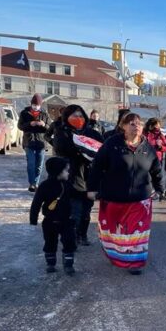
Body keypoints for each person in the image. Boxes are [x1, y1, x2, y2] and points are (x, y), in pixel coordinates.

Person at [87, 112, 164, 275]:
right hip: (113, 198)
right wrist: (92, 188)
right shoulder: (112, 144)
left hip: (140, 199)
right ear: (123, 126)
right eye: (132, 123)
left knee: (137, 233)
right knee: (115, 233)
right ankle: (115, 255)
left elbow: (156, 170)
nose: (136, 126)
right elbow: (97, 166)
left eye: (139, 123)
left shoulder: (147, 147)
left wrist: (159, 188)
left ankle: (135, 262)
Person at [50, 105, 104, 246]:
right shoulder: (63, 133)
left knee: (86, 210)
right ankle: (71, 237)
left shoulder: (92, 133)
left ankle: (82, 234)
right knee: (75, 211)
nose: (78, 119)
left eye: (80, 115)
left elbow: (102, 149)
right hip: (72, 177)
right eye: (74, 116)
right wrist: (82, 149)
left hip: (90, 177)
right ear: (66, 117)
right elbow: (63, 149)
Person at [29, 157, 77, 275]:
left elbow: (77, 194)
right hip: (50, 221)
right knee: (50, 243)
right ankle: (50, 263)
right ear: (58, 172)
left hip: (66, 220)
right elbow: (36, 203)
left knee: (69, 242)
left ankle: (68, 265)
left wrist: (89, 194)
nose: (68, 172)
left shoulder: (67, 185)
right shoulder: (45, 186)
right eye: (66, 170)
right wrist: (33, 219)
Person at [17, 93, 50, 192]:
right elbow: (20, 126)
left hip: (41, 143)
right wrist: (30, 123)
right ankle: (32, 184)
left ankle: (36, 183)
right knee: (31, 164)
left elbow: (50, 129)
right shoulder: (24, 113)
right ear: (31, 104)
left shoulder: (45, 114)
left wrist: (44, 125)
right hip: (29, 142)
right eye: (34, 105)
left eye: (38, 105)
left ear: (41, 105)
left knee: (39, 165)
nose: (36, 107)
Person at [144, 118, 166, 200]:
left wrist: (160, 146)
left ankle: (160, 192)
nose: (157, 127)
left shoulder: (160, 135)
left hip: (157, 158)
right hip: (145, 158)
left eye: (158, 126)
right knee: (147, 177)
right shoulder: (145, 134)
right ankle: (149, 192)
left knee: (158, 176)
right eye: (156, 125)